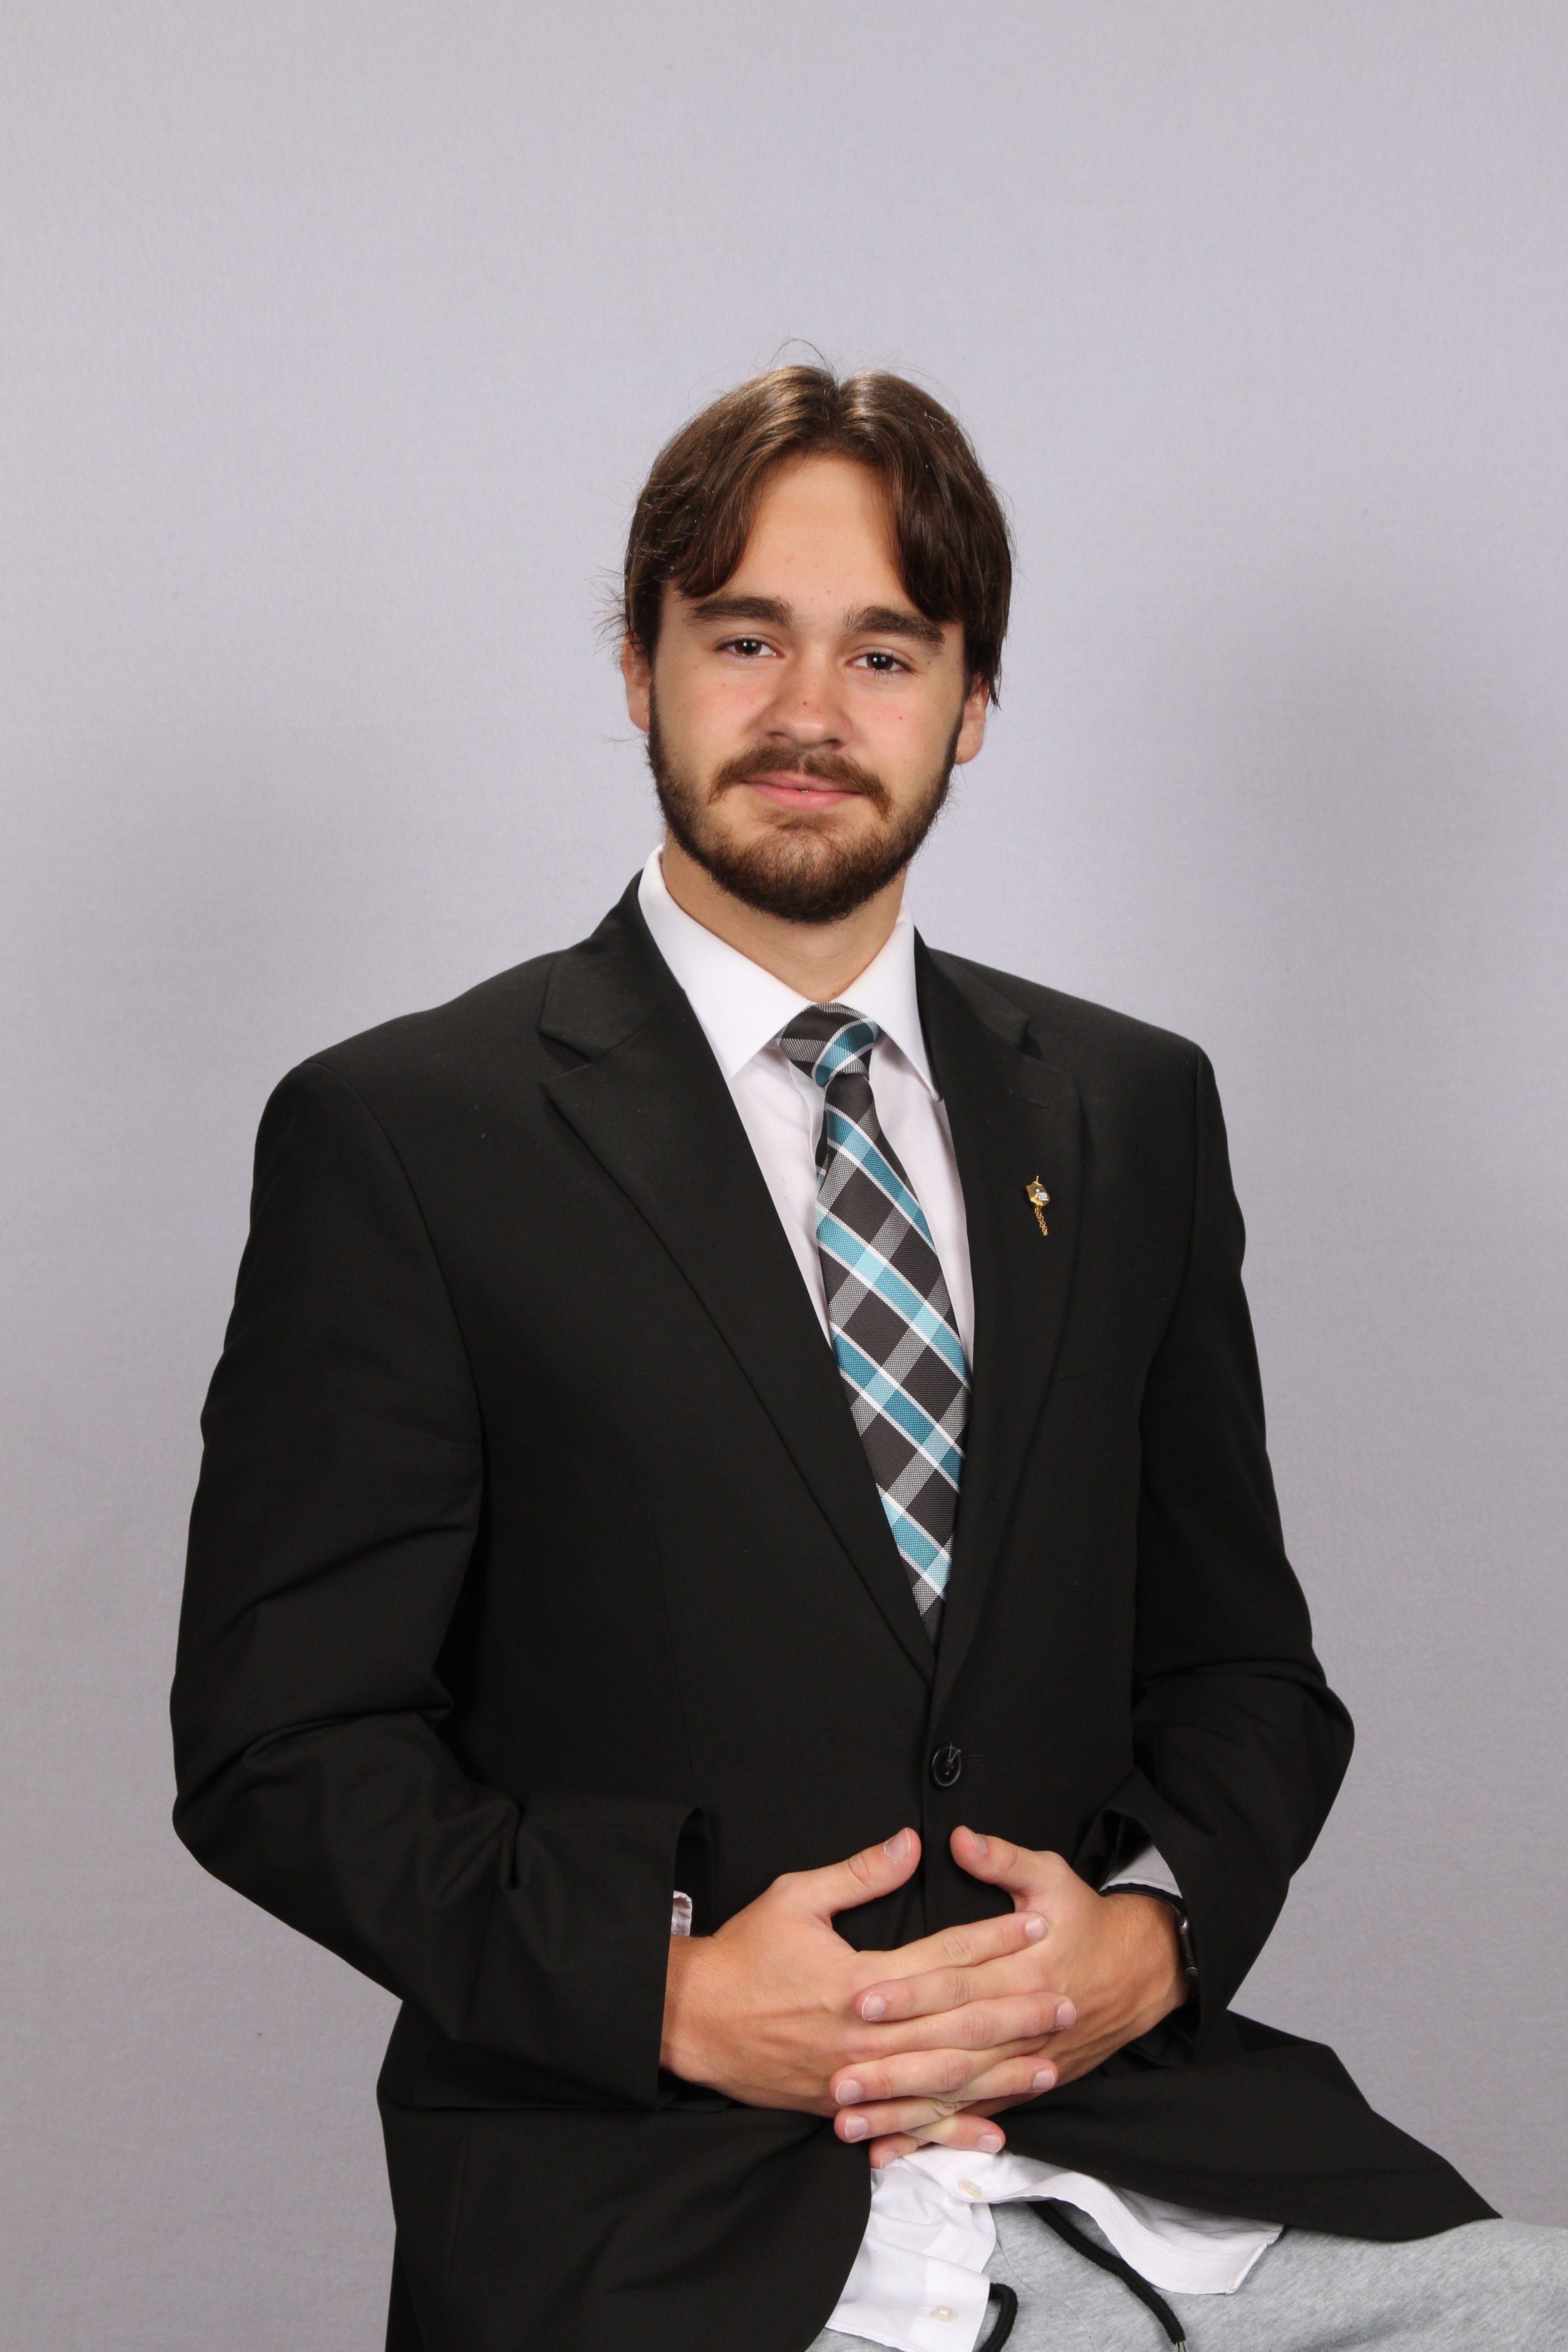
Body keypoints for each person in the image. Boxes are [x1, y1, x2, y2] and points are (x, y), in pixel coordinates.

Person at [170, 365, 1567, 2351]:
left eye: (886, 653)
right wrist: (665, 1993)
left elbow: (1245, 1672)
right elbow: (280, 1744)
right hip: (664, 2207)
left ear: (972, 702)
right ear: (641, 667)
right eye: (746, 638)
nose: (811, 713)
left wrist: (1154, 1937)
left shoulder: (1129, 1112)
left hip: (1125, 2142)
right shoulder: (408, 1134)